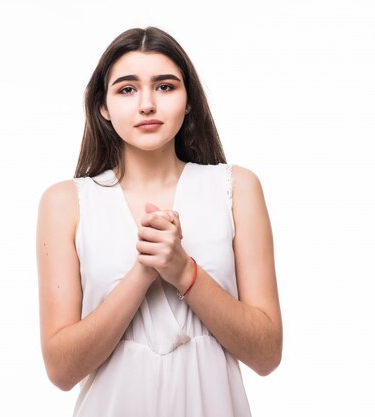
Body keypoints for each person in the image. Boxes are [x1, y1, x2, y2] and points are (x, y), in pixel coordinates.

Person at [36, 26, 282, 417]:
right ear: (103, 106)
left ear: (188, 102)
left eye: (165, 87)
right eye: (127, 89)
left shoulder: (236, 189)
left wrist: (184, 271)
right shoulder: (66, 202)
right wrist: (143, 273)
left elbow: (267, 354)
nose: (147, 104)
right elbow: (61, 370)